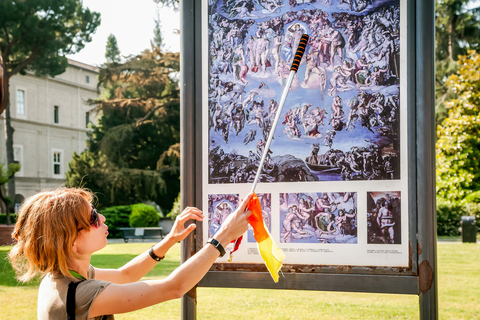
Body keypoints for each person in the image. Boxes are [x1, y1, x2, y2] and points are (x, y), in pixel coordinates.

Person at [9, 187, 253, 319]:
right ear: (70, 242)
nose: (102, 218)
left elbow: (125, 274)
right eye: (93, 218)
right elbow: (174, 287)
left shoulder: (65, 277)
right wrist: (222, 237)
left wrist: (168, 240)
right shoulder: (79, 294)